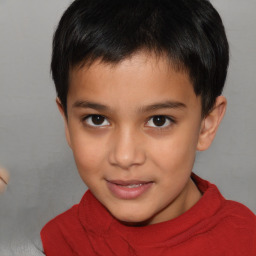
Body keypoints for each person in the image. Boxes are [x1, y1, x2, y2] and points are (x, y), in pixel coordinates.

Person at [40, 0, 256, 255]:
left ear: (206, 125)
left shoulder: (245, 241)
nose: (125, 156)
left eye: (159, 120)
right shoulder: (59, 241)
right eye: (97, 119)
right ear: (67, 123)